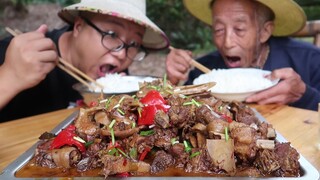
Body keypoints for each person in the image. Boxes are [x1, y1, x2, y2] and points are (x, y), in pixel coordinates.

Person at [0, 0, 169, 122]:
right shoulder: (16, 56)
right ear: (78, 26)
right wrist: (9, 78)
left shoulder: (114, 75)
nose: (122, 54)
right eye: (111, 35)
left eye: (134, 44)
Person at [166, 0, 320, 111]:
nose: (227, 42)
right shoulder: (203, 71)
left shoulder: (310, 60)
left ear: (265, 32)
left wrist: (304, 94)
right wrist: (172, 81)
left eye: (239, 29)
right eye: (219, 29)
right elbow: (177, 109)